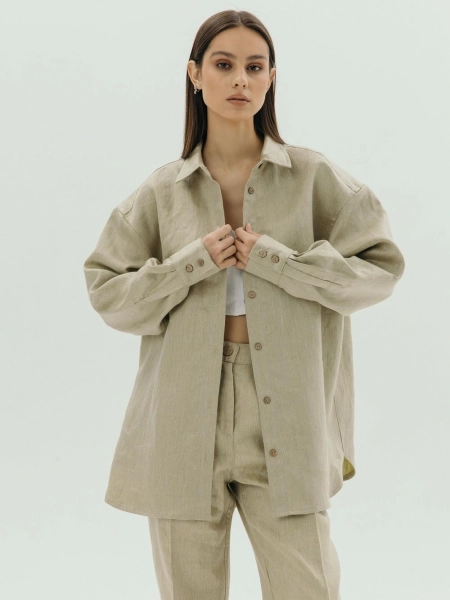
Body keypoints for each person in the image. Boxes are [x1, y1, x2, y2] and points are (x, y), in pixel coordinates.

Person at [83, 9, 406, 600]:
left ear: (271, 78)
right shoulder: (161, 192)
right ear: (195, 75)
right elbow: (108, 293)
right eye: (224, 64)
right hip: (181, 417)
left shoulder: (314, 178)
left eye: (255, 67)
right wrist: (192, 262)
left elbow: (380, 271)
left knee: (308, 587)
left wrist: (277, 260)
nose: (240, 80)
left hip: (289, 409)